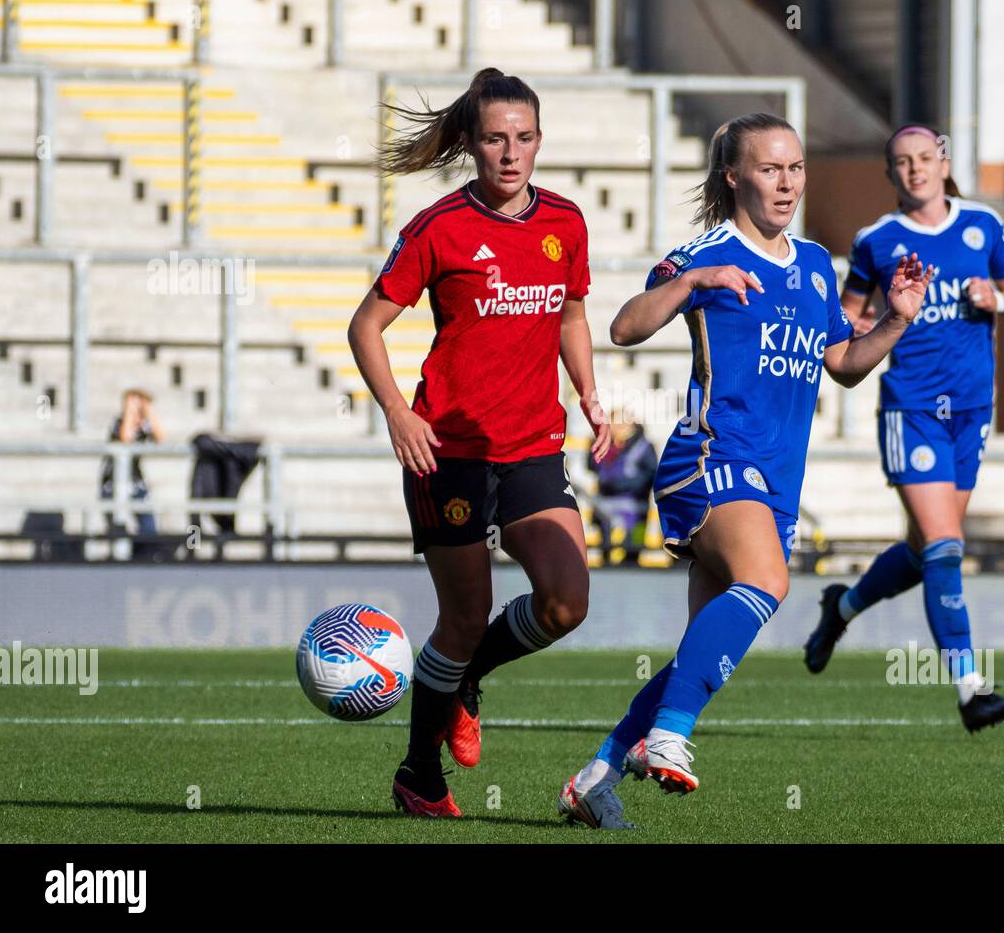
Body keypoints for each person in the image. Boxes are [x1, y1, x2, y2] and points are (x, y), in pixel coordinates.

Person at [557, 112, 933, 829]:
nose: (787, 181)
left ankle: (594, 778)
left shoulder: (817, 265)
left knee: (701, 661)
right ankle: (664, 741)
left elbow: (844, 365)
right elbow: (626, 326)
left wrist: (894, 319)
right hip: (710, 457)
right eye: (770, 168)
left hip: (775, 480)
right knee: (766, 582)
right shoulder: (708, 253)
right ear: (734, 176)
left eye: (795, 168)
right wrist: (693, 280)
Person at [348, 68, 611, 818]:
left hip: (530, 445)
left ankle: (466, 677)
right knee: (462, 619)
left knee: (566, 602)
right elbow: (365, 327)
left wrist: (589, 393)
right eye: (495, 138)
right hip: (450, 452)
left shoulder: (564, 221)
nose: (511, 152)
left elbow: (569, 317)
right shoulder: (440, 228)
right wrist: (399, 412)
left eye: (525, 138)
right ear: (469, 141)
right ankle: (418, 776)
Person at [802, 123, 1004, 733]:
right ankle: (970, 690)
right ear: (890, 173)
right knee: (945, 548)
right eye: (901, 162)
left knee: (923, 549)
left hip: (973, 411)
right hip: (912, 409)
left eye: (924, 158)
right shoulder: (878, 240)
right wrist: (879, 321)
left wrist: (997, 300)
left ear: (942, 161)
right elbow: (843, 319)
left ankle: (842, 606)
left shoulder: (982, 224)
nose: (915, 170)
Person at [586, 412, 656, 563]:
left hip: (636, 507)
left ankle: (632, 562)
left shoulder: (644, 447)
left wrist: (620, 484)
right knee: (606, 546)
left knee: (634, 547)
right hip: (605, 505)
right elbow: (592, 465)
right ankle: (607, 561)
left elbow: (649, 475)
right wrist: (598, 442)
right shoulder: (606, 444)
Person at [100, 389, 163, 543]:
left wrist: (148, 412)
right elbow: (125, 437)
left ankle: (145, 556)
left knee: (148, 527)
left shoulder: (144, 426)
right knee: (117, 529)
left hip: (136, 482)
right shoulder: (118, 422)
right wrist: (129, 409)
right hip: (112, 483)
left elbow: (160, 437)